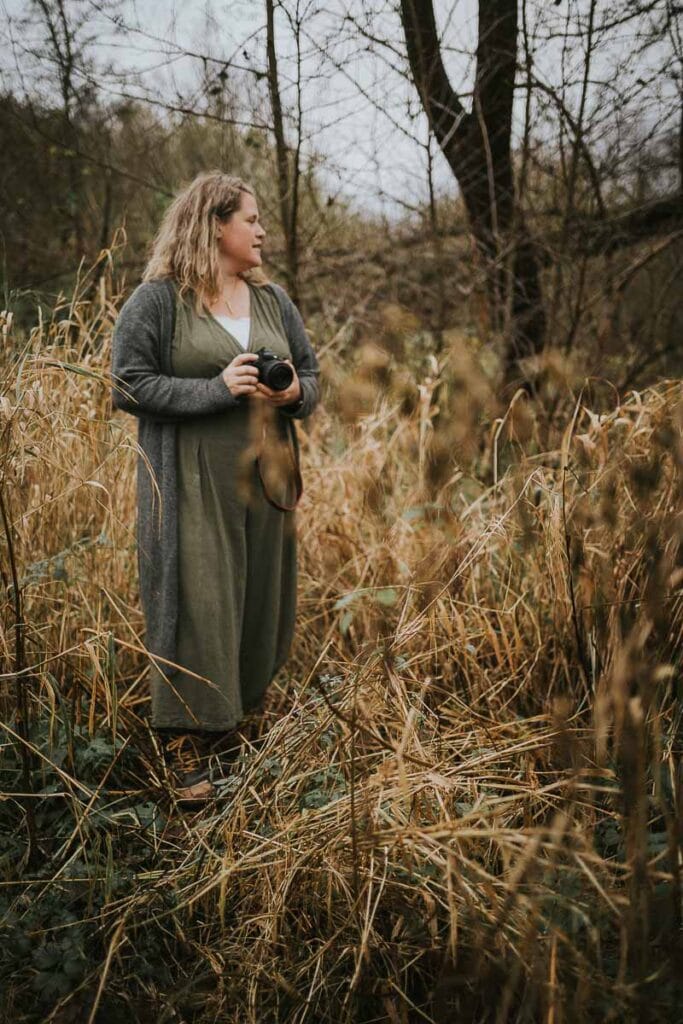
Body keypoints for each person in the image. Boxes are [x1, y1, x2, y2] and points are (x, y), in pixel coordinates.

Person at [110, 170, 321, 803]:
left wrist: (292, 392)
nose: (261, 230)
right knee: (200, 602)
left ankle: (235, 724)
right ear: (214, 225)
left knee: (261, 600)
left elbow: (311, 377)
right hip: (190, 481)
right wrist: (213, 388)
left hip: (266, 479)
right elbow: (127, 383)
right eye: (251, 219)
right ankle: (183, 742)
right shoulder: (158, 300)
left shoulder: (273, 301)